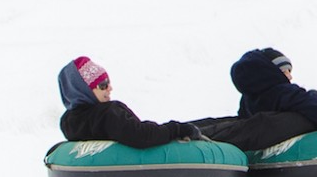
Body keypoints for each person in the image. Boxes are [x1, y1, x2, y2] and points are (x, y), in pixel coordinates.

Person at [57, 49, 317, 152]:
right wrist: (303, 96)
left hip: (312, 127)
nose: (289, 75)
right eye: (283, 69)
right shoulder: (286, 96)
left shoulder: (255, 102)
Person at [56, 57, 205, 150]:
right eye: (103, 85)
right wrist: (177, 129)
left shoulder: (68, 122)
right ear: (83, 90)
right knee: (206, 128)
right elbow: (141, 135)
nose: (110, 88)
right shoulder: (107, 113)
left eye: (108, 83)